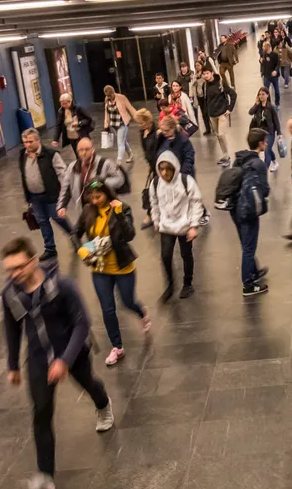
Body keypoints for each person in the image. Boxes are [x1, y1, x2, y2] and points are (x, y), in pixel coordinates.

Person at [0, 237, 113, 489]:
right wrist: (13, 365)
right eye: (9, 270)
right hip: (39, 358)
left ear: (33, 260)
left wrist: (65, 360)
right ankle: (45, 476)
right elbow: (12, 329)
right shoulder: (10, 295)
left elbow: (82, 323)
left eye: (19, 267)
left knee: (89, 384)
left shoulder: (61, 285)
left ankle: (103, 403)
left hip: (72, 351)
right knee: (41, 413)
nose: (14, 274)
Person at [74, 180, 148, 366]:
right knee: (107, 309)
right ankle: (117, 347)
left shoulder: (122, 207)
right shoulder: (88, 211)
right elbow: (75, 233)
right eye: (92, 197)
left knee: (127, 301)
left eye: (99, 196)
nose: (95, 201)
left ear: (107, 193)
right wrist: (82, 249)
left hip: (122, 265)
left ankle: (141, 312)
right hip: (100, 268)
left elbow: (130, 235)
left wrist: (119, 215)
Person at [148, 151, 204, 300]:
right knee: (165, 256)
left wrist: (194, 225)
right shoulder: (155, 183)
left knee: (186, 255)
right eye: (161, 169)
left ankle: (187, 284)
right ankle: (170, 285)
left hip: (184, 226)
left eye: (168, 169)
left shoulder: (186, 181)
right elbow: (154, 203)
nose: (164, 173)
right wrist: (156, 220)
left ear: (174, 168)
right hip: (166, 226)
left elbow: (196, 202)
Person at [232, 129, 271, 296]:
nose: (267, 143)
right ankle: (248, 284)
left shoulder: (239, 159)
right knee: (249, 247)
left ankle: (254, 271)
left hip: (235, 208)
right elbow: (264, 190)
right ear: (260, 144)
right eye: (265, 141)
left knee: (245, 242)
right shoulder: (259, 165)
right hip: (248, 210)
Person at [20, 129, 70, 260]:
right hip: (34, 197)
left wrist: (64, 195)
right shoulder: (22, 155)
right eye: (25, 142)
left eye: (30, 141)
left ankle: (73, 234)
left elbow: (63, 174)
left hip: (52, 195)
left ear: (38, 140)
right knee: (42, 222)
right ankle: (50, 249)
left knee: (57, 217)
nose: (27, 145)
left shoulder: (51, 154)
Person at [198, 68, 236, 165]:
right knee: (218, 136)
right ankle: (224, 155)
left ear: (212, 73)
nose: (205, 75)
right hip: (212, 114)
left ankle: (227, 156)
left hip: (222, 113)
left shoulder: (221, 83)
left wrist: (229, 109)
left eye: (207, 73)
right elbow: (205, 100)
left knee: (221, 134)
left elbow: (233, 94)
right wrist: (206, 112)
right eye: (204, 74)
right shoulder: (205, 85)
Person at [137, 109, 163, 226]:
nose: (140, 125)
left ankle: (152, 214)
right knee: (153, 190)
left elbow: (160, 149)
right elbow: (145, 149)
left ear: (148, 121)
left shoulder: (157, 132)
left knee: (159, 190)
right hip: (152, 165)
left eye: (142, 122)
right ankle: (152, 213)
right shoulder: (142, 131)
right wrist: (149, 164)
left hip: (161, 165)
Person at [249, 87, 280, 173]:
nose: (261, 96)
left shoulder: (271, 107)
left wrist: (279, 133)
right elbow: (250, 112)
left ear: (267, 95)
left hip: (270, 132)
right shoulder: (258, 106)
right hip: (261, 132)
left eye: (263, 94)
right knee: (268, 148)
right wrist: (256, 104)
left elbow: (276, 120)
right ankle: (275, 163)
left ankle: (264, 170)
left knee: (267, 151)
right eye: (259, 94)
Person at [103, 86, 135, 165]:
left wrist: (139, 117)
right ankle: (131, 154)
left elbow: (130, 108)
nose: (109, 97)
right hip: (113, 125)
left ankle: (118, 162)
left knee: (120, 142)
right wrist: (106, 124)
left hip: (122, 123)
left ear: (113, 92)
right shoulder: (106, 100)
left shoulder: (121, 97)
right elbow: (106, 113)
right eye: (107, 96)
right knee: (123, 141)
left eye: (110, 95)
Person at [260, 41, 282, 107]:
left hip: (274, 76)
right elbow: (263, 64)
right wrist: (260, 61)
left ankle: (277, 103)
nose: (263, 48)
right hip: (266, 75)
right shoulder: (263, 54)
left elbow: (278, 64)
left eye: (264, 46)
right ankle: (268, 104)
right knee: (266, 92)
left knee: (277, 91)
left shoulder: (275, 55)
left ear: (268, 46)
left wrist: (275, 71)